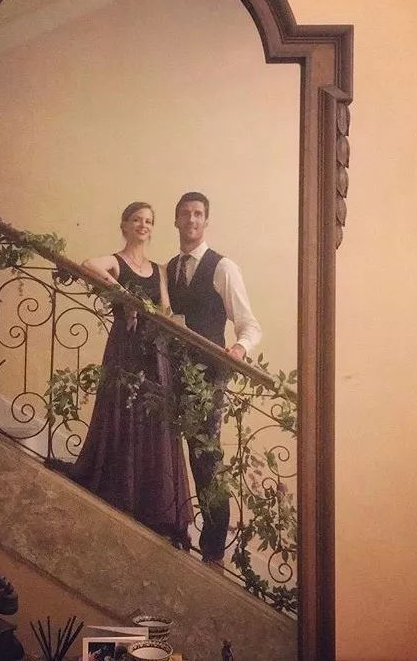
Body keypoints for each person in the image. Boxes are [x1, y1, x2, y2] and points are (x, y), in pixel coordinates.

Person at [56, 201, 193, 546]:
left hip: (155, 352)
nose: (143, 225)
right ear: (125, 225)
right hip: (126, 348)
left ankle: (153, 503)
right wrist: (123, 295)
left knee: (156, 421)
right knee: (124, 412)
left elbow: (165, 310)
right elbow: (88, 265)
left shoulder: (160, 270)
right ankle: (122, 492)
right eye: (137, 220)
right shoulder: (117, 261)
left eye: (148, 221)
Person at [166, 192, 262, 565]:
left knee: (206, 457)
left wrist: (237, 349)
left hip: (208, 377)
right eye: (185, 214)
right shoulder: (170, 268)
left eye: (198, 214)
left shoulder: (223, 267)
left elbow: (249, 325)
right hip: (171, 372)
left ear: (206, 221)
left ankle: (213, 549)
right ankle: (172, 525)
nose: (191, 220)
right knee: (167, 450)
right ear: (176, 220)